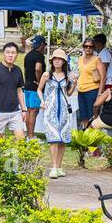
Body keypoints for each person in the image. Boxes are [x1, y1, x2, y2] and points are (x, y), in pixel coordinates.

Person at [38, 47, 76, 177]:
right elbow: (39, 89)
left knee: (62, 139)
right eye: (55, 59)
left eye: (60, 59)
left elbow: (69, 93)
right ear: (52, 61)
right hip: (50, 109)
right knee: (53, 137)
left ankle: (59, 166)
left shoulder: (67, 76)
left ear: (64, 62)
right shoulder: (46, 75)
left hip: (64, 110)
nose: (57, 61)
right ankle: (53, 166)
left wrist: (74, 83)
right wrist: (42, 101)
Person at [0, 41, 27, 137]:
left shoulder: (18, 70)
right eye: (8, 52)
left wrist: (24, 110)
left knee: (20, 139)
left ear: (17, 55)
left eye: (13, 53)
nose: (10, 55)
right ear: (3, 53)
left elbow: (19, 91)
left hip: (15, 112)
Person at [74, 38, 105, 127]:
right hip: (81, 91)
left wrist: (100, 93)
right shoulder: (80, 59)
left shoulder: (97, 59)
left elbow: (103, 78)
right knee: (83, 115)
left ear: (93, 48)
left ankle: (93, 135)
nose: (88, 48)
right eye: (85, 46)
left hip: (92, 90)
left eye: (90, 46)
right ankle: (86, 134)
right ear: (83, 48)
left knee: (92, 115)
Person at [22, 35, 47, 139]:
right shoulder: (39, 56)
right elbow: (38, 68)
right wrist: (39, 81)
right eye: (45, 44)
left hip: (27, 85)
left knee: (29, 110)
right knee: (34, 111)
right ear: (41, 45)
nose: (45, 47)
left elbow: (25, 70)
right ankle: (31, 136)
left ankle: (29, 135)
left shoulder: (28, 55)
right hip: (34, 87)